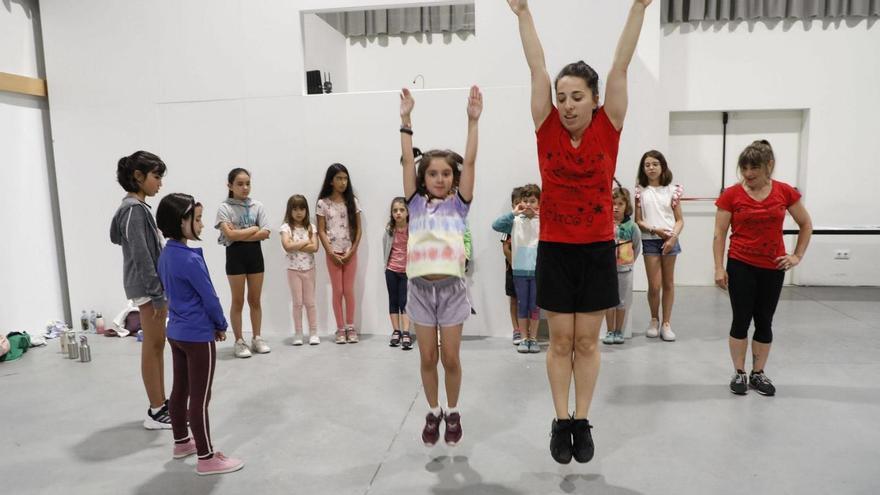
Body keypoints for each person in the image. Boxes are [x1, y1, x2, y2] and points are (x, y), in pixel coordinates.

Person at [507, 0, 652, 464]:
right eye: (562, 97)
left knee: (588, 342)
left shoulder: (609, 127)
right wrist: (523, 13)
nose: (567, 105)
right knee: (561, 342)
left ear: (594, 99)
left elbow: (621, 64)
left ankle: (581, 420)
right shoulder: (545, 126)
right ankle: (559, 418)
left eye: (577, 97)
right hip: (555, 249)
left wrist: (639, 7)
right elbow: (536, 65)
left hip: (594, 251)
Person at [399, 85, 482, 447]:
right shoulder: (415, 205)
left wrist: (473, 121)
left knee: (450, 357)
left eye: (446, 173)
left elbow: (472, 162)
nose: (440, 178)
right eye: (433, 173)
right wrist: (406, 120)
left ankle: (453, 410)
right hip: (419, 290)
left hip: (450, 290)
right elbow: (406, 161)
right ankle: (433, 412)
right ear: (423, 178)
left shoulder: (458, 205)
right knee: (428, 356)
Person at [713, 140, 812, 396]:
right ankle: (739, 372)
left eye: (754, 167)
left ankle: (758, 373)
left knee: (765, 321)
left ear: (769, 165)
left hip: (773, 267)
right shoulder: (731, 195)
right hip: (741, 264)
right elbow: (719, 233)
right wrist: (718, 267)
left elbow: (805, 223)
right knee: (741, 319)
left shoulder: (784, 191)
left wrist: (796, 256)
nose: (748, 173)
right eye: (744, 168)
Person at [157, 193, 244, 476]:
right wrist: (220, 324)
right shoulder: (190, 260)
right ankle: (206, 457)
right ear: (181, 222)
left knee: (180, 389)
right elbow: (210, 298)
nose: (203, 225)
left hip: (177, 333)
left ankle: (182, 441)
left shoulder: (166, 255)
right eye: (197, 219)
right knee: (200, 397)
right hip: (197, 336)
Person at [109, 150, 171, 430]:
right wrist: (158, 294)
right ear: (138, 176)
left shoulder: (134, 208)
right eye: (156, 177)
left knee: (157, 344)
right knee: (154, 345)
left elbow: (115, 237)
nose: (160, 183)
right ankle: (156, 409)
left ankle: (160, 402)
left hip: (149, 287)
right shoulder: (134, 210)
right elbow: (143, 255)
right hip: (148, 289)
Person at [215, 168, 272, 358]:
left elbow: (266, 232)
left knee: (255, 300)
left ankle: (257, 337)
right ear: (230, 185)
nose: (245, 187)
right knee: (238, 301)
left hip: (255, 256)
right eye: (240, 184)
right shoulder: (225, 208)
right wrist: (253, 229)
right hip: (235, 257)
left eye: (248, 183)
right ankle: (239, 340)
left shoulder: (257, 206)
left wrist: (239, 234)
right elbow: (229, 235)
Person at [634, 150, 683, 341]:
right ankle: (654, 319)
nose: (651, 168)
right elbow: (639, 220)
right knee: (654, 285)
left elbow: (679, 220)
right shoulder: (640, 192)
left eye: (655, 164)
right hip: (650, 241)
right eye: (647, 165)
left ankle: (666, 323)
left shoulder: (673, 190)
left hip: (670, 240)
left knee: (668, 283)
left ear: (662, 166)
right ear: (643, 168)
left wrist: (672, 237)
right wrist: (655, 230)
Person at [316, 164, 363, 344]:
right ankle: (340, 328)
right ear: (331, 181)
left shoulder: (353, 202)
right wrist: (330, 252)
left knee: (349, 290)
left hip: (350, 251)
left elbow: (358, 230)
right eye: (339, 178)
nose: (343, 182)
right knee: (338, 290)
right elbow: (321, 230)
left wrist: (352, 250)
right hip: (332, 253)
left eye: (345, 178)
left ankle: (351, 326)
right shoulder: (323, 203)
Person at [492, 184, 542, 354]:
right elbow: (496, 225)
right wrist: (514, 213)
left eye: (533, 201)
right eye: (525, 201)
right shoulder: (514, 221)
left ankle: (533, 338)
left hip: (537, 271)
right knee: (522, 305)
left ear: (539, 203)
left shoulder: (542, 221)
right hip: (519, 271)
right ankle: (523, 338)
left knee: (534, 306)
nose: (528, 204)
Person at [279, 194, 320, 346]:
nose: (298, 212)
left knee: (310, 302)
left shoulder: (311, 227)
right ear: (289, 210)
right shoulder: (285, 228)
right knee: (297, 303)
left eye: (302, 208)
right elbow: (287, 246)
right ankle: (298, 333)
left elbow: (315, 247)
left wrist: (295, 243)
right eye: (295, 209)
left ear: (306, 210)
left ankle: (314, 333)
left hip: (309, 269)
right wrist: (305, 241)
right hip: (293, 269)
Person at [603, 186, 641, 345]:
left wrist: (629, 262)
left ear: (627, 207)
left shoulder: (632, 227)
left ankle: (619, 331)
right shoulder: (604, 225)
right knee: (609, 302)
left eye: (620, 204)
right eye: (613, 204)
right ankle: (610, 331)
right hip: (607, 271)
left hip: (625, 270)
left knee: (622, 301)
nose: (616, 207)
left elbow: (636, 247)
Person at [384, 196, 413, 350]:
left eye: (402, 210)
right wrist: (386, 267)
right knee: (393, 300)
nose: (398, 213)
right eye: (395, 210)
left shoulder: (412, 229)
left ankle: (406, 332)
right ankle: (396, 331)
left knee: (405, 301)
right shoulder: (390, 229)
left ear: (408, 212)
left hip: (407, 271)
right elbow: (385, 248)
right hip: (391, 270)